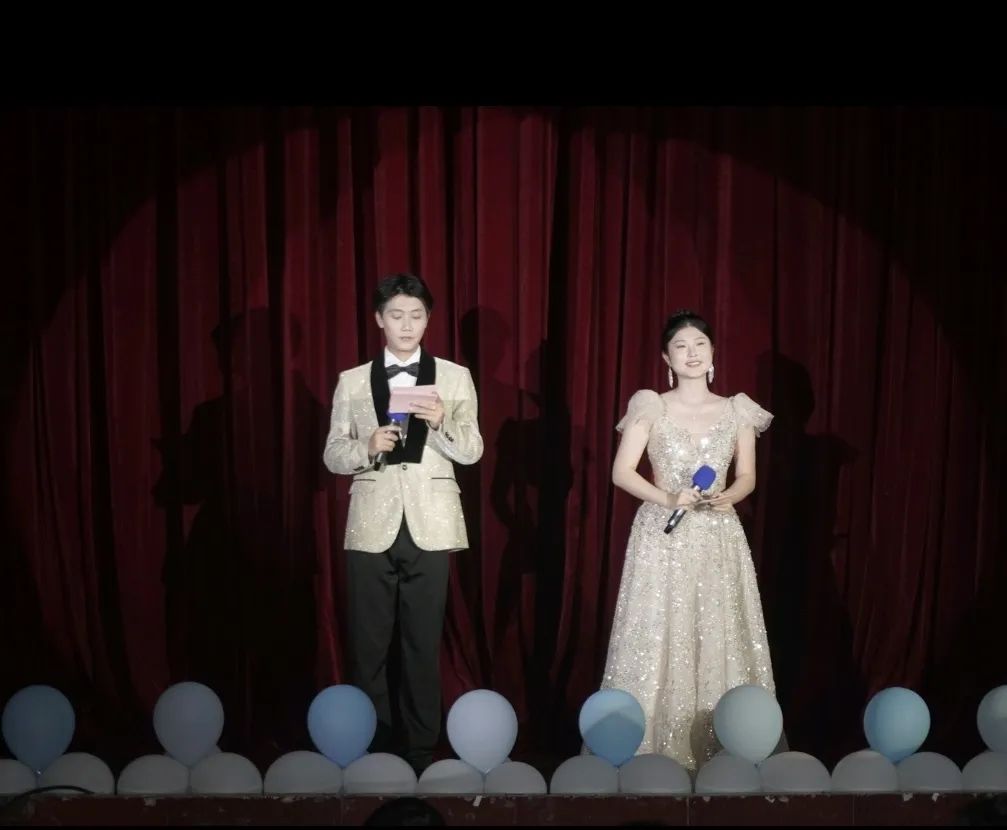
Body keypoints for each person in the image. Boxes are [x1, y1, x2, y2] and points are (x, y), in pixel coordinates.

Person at [600, 309, 778, 770]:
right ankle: (652, 745)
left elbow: (747, 476)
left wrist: (730, 495)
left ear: (713, 352)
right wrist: (668, 496)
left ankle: (726, 742)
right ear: (666, 358)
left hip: (718, 535)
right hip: (663, 536)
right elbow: (621, 472)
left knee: (719, 630)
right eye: (681, 346)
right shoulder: (650, 406)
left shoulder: (738, 409)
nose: (692, 353)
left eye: (700, 344)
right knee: (659, 632)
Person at [323, 273, 483, 775]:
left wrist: (440, 422)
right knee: (368, 644)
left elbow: (472, 451)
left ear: (428, 319)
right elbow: (332, 454)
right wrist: (366, 446)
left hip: (432, 521)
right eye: (397, 315)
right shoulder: (353, 380)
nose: (407, 325)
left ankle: (419, 749)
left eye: (416, 315)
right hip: (371, 521)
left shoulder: (454, 377)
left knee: (421, 642)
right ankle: (370, 744)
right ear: (379, 319)